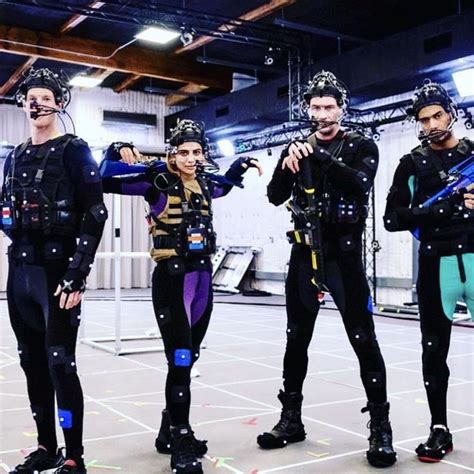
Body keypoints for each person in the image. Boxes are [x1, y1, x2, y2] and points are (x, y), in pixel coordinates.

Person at [100, 119, 263, 474]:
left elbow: (226, 186)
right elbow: (104, 177)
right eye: (184, 152)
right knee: (180, 359)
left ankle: (167, 430)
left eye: (196, 152)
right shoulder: (156, 182)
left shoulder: (205, 183)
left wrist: (238, 167)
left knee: (189, 359)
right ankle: (181, 436)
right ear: (173, 153)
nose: (190, 159)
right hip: (173, 281)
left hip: (203, 279)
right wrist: (114, 150)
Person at [257, 70, 396, 468]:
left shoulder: (360, 145)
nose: (322, 114)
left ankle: (380, 427)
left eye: (329, 107)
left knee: (363, 338)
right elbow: (274, 197)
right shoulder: (295, 146)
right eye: (316, 108)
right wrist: (286, 164)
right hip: (304, 255)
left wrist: (316, 156)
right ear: (307, 110)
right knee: (295, 339)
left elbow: (359, 185)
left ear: (342, 109)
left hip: (344, 257)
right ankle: (290, 419)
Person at [0, 68, 108, 474]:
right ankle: (46, 445)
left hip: (57, 272)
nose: (35, 103)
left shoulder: (74, 149)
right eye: (30, 96)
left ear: (59, 103)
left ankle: (74, 454)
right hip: (20, 271)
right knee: (31, 361)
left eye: (44, 97)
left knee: (60, 362)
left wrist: (77, 273)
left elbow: (95, 212)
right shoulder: (14, 155)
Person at [384, 80, 474, 462]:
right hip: (436, 266)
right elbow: (392, 218)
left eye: (437, 115)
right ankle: (439, 429)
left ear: (451, 113)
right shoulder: (412, 163)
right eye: (424, 119)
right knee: (434, 353)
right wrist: (435, 210)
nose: (432, 124)